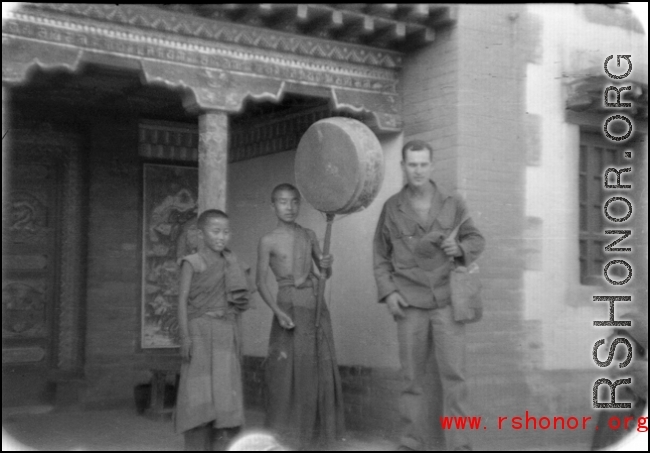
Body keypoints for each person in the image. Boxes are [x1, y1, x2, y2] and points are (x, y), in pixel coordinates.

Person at [373, 140, 485, 451]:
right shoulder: (391, 208)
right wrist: (389, 292)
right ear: (403, 167)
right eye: (412, 164)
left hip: (448, 302)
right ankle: (411, 444)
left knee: (456, 377)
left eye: (423, 164)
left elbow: (476, 238)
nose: (418, 170)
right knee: (411, 379)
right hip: (409, 303)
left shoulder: (453, 202)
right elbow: (380, 255)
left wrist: (459, 248)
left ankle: (461, 445)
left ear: (431, 166)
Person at [256, 183, 345, 449]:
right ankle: (285, 435)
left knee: (315, 369)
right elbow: (260, 282)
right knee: (285, 373)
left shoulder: (309, 235)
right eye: (283, 202)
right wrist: (278, 312)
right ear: (273, 206)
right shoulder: (268, 240)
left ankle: (314, 435)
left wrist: (328, 265)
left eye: (294, 202)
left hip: (314, 305)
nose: (289, 207)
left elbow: (324, 272)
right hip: (287, 308)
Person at [175, 209, 255, 451]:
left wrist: (239, 340)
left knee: (224, 391)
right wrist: (185, 337)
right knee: (198, 391)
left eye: (226, 232)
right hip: (199, 331)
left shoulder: (232, 263)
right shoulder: (193, 262)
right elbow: (182, 300)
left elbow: (240, 301)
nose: (221, 237)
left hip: (224, 331)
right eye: (215, 231)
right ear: (201, 233)